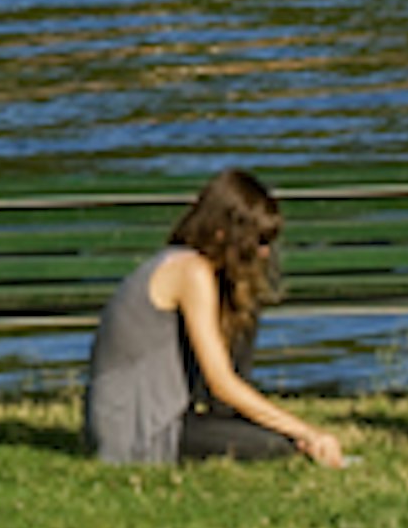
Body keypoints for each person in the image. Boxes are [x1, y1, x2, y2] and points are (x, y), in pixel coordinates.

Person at [84, 168, 350, 467]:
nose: (264, 253)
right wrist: (309, 433)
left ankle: (235, 424)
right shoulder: (190, 272)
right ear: (222, 233)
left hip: (155, 416)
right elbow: (220, 381)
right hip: (141, 430)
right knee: (279, 446)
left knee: (244, 305)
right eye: (258, 241)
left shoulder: (193, 268)